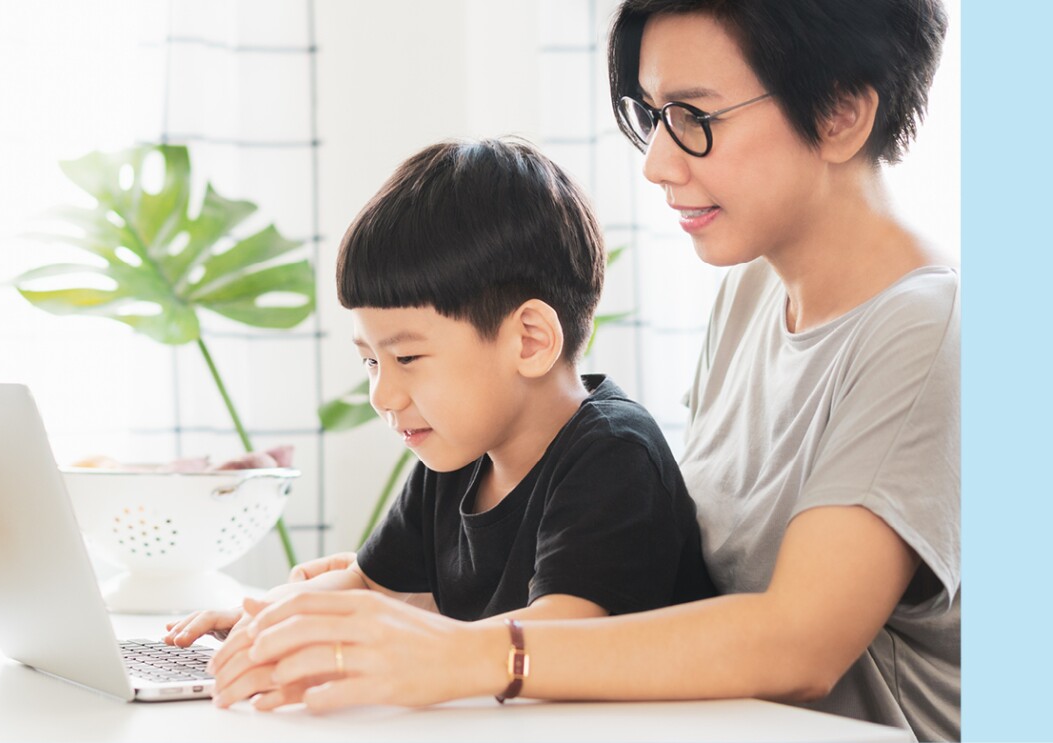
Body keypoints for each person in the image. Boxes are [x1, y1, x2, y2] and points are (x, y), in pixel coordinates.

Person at [212, 1, 959, 741]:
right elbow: (685, 561)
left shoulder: (933, 327)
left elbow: (799, 643)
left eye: (695, 117)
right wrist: (336, 615)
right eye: (652, 116)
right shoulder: (752, 293)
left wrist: (463, 651)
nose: (657, 163)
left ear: (839, 114)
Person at [166, 138, 717, 705]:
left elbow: (562, 629)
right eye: (370, 361)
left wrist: (387, 654)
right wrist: (267, 622)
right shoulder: (456, 456)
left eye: (406, 358)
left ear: (529, 340)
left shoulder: (613, 455)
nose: (382, 392)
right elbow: (366, 584)